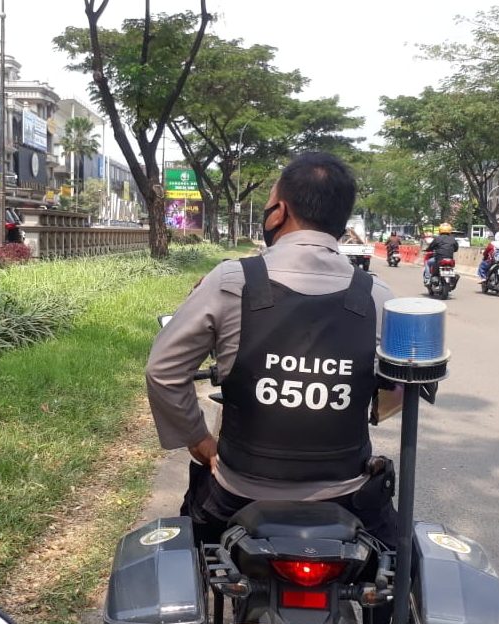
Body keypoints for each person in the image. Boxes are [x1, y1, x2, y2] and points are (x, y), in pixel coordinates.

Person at [146, 152, 400, 553]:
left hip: (237, 494)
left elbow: (163, 370)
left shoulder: (231, 281)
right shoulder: (377, 296)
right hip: (347, 498)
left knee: (193, 550)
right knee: (395, 570)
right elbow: (396, 393)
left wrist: (200, 442)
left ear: (278, 212)